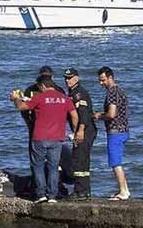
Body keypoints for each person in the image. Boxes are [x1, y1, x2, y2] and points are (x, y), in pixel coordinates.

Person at [11, 75, 79, 203]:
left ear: (42, 86)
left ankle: (41, 194)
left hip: (39, 137)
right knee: (54, 167)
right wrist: (75, 131)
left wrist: (16, 99)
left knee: (38, 166)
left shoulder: (39, 97)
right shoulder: (64, 98)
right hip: (57, 138)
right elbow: (74, 115)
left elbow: (21, 107)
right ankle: (52, 196)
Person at [94, 66, 131, 201]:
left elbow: (111, 114)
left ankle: (123, 191)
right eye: (100, 80)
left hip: (115, 131)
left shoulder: (112, 92)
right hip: (124, 129)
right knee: (117, 160)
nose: (101, 83)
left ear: (110, 78)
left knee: (115, 162)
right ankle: (125, 189)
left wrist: (99, 115)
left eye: (103, 80)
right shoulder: (121, 90)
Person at [63, 67, 97, 200]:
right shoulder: (72, 92)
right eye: (66, 78)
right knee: (82, 159)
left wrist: (80, 130)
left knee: (79, 160)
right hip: (81, 130)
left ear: (76, 78)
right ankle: (84, 190)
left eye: (70, 78)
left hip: (85, 130)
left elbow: (83, 113)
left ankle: (80, 191)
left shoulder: (78, 93)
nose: (67, 81)